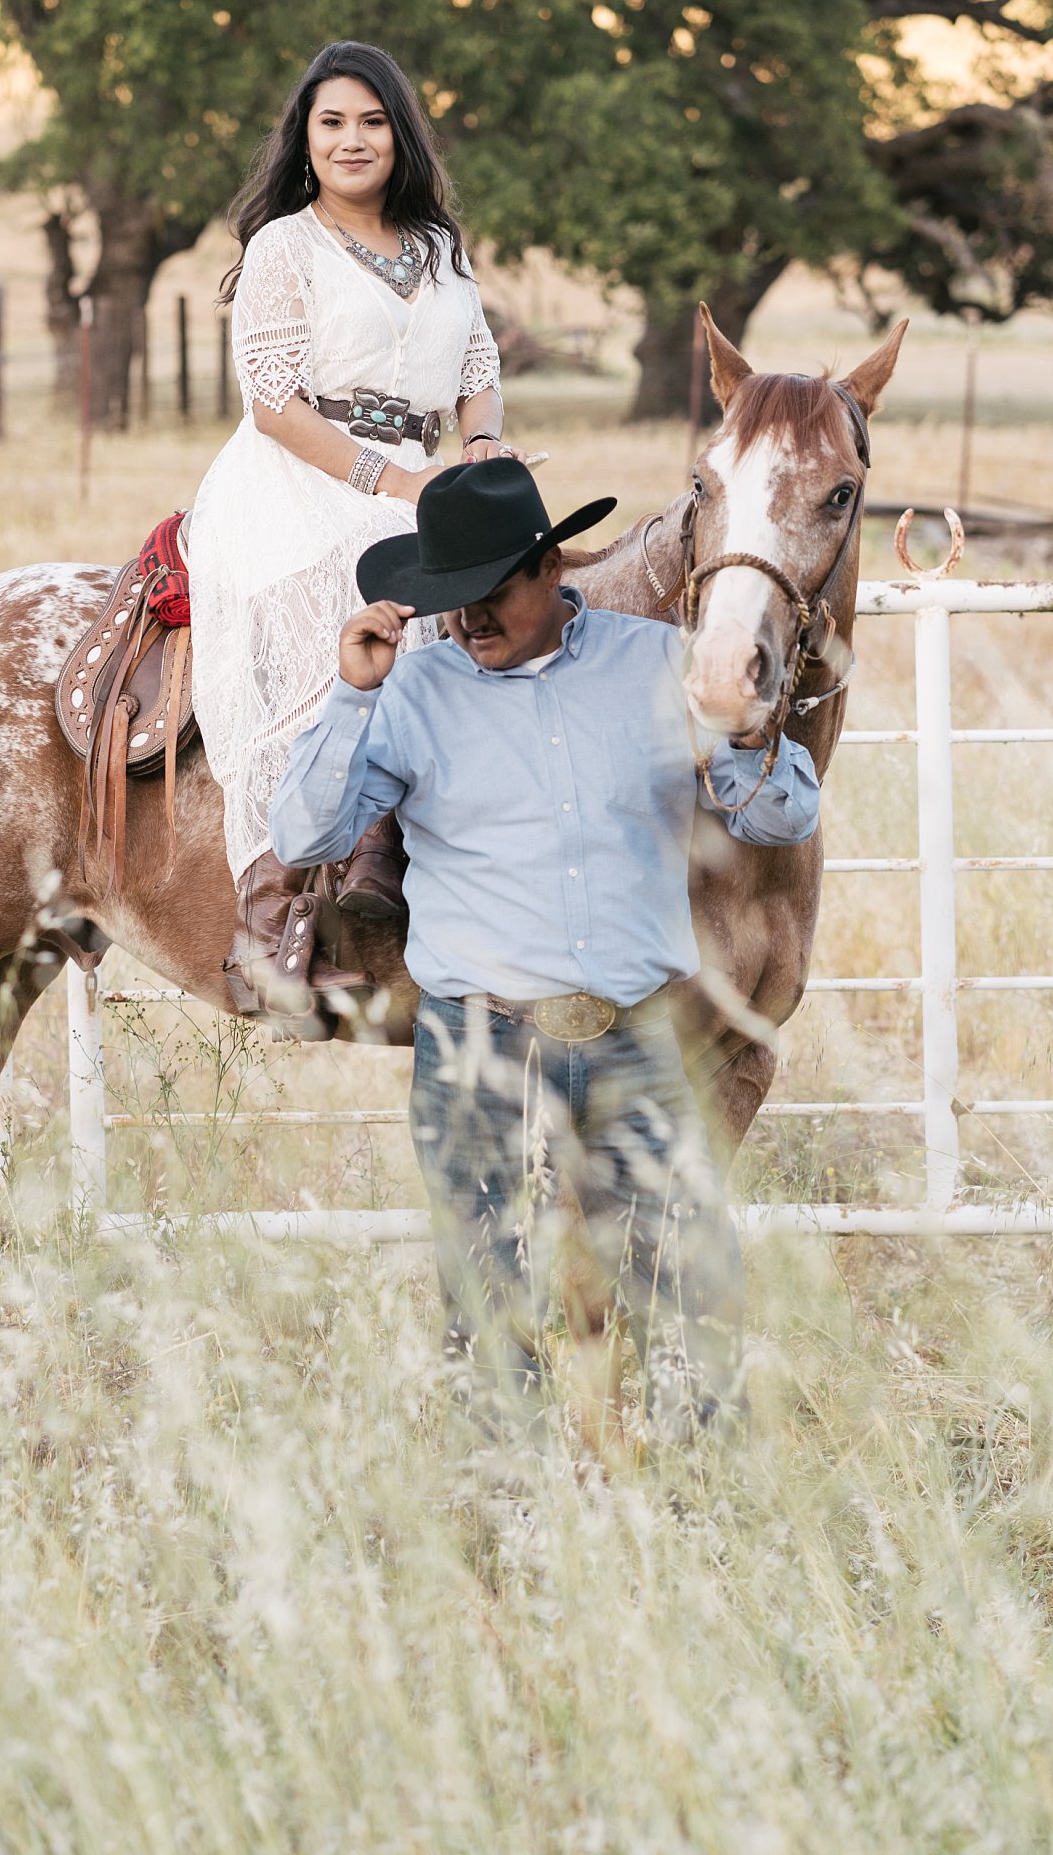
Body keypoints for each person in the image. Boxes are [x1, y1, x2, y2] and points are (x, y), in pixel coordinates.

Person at [267, 457, 822, 1440]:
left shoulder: (657, 662)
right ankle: (507, 1531)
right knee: (488, 1300)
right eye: (449, 598)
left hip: (640, 1038)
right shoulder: (409, 689)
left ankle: (692, 1513)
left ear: (551, 564)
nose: (468, 618)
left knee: (688, 1288)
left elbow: (779, 817)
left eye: (490, 593)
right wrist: (350, 695)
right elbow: (309, 838)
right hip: (480, 1043)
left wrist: (741, 736)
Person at [186, 39, 513, 1016]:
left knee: (533, 599)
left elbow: (478, 366)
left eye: (371, 119)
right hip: (300, 474)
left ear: (399, 132)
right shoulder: (286, 246)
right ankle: (292, 894)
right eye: (331, 122)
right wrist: (398, 479)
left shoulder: (442, 247)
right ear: (306, 139)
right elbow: (276, 401)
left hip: (424, 474)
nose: (352, 138)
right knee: (356, 591)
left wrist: (484, 443)